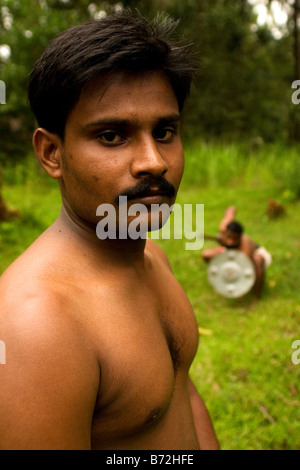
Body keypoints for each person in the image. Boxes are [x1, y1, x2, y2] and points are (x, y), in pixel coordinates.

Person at [0, 11, 219, 450]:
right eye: (113, 136)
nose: (154, 161)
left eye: (165, 131)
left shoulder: (151, 256)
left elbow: (183, 396)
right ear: (51, 154)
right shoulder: (37, 324)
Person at [202, 206, 272, 303]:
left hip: (251, 257)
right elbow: (230, 210)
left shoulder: (245, 245)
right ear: (225, 233)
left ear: (240, 237)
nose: (231, 242)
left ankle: (256, 297)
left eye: (235, 239)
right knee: (206, 254)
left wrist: (239, 292)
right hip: (229, 253)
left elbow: (242, 269)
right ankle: (219, 276)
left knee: (258, 259)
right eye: (229, 238)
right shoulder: (224, 227)